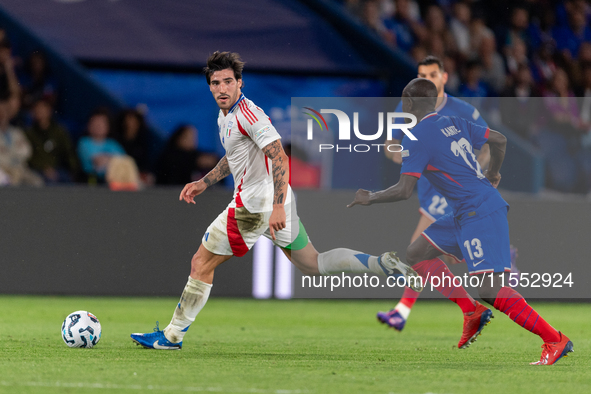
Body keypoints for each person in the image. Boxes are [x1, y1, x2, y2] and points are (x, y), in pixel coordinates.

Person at [130, 51, 421, 350]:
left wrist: (277, 206)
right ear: (210, 87)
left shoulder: (249, 114)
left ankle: (172, 336)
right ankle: (380, 264)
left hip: (254, 206)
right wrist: (205, 182)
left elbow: (279, 156)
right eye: (216, 83)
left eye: (228, 81)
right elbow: (236, 156)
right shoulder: (226, 115)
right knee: (312, 263)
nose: (222, 88)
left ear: (239, 83)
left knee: (200, 263)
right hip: (273, 201)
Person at [349, 78, 573, 365]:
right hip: (465, 211)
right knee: (417, 254)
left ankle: (554, 339)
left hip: (478, 212)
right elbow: (499, 140)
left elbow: (404, 191)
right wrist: (493, 173)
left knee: (489, 289)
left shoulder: (415, 137)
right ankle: (471, 311)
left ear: (407, 104)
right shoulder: (453, 122)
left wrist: (370, 197)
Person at [381, 55, 491, 331]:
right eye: (421, 75)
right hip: (428, 189)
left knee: (418, 250)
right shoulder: (406, 107)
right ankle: (475, 300)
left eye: (432, 75)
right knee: (434, 254)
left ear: (444, 77)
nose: (426, 80)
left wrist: (473, 170)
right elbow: (389, 144)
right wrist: (408, 157)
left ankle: (404, 311)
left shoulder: (462, 109)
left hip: (451, 190)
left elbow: (490, 143)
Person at [25, 98, 79, 183]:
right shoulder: (29, 133)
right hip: (37, 170)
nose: (40, 111)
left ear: (49, 110)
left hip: (58, 169)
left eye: (43, 108)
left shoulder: (59, 131)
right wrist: (44, 167)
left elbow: (68, 152)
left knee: (67, 181)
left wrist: (73, 171)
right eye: (37, 108)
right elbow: (28, 156)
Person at [77, 108, 126, 184]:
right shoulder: (84, 142)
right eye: (96, 123)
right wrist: (112, 160)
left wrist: (108, 160)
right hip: (93, 180)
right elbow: (98, 162)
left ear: (108, 126)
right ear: (89, 125)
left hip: (116, 182)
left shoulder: (113, 144)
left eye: (102, 123)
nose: (98, 126)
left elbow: (125, 162)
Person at [0, 100, 42, 186]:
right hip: (3, 170)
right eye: (1, 113)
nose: (3, 116)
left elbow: (27, 151)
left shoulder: (16, 132)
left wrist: (10, 155)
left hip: (20, 168)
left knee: (37, 182)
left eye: (5, 113)